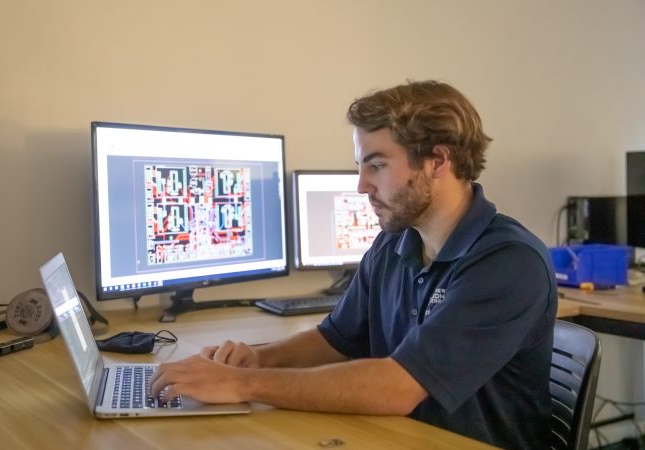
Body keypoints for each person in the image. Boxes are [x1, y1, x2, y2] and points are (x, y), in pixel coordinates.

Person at [150, 80, 557, 449]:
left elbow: (398, 388)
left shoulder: (508, 262)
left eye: (376, 165)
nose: (361, 185)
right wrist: (259, 359)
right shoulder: (393, 244)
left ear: (437, 161)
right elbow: (335, 340)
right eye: (360, 166)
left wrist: (242, 383)